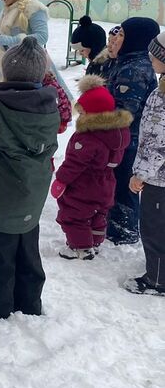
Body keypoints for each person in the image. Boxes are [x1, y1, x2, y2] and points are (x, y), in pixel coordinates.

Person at [0, 37, 59, 322]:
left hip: (0, 201)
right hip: (32, 197)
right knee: (28, 255)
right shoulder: (49, 107)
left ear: (7, 72)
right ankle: (29, 302)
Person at [52, 76, 132, 260]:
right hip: (107, 181)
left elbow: (75, 163)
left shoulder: (88, 138)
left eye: (83, 113)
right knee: (98, 213)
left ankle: (80, 247)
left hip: (85, 184)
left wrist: (61, 179)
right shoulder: (118, 132)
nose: (80, 116)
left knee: (73, 214)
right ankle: (95, 242)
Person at [105, 16, 160, 245]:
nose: (117, 38)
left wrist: (97, 118)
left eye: (123, 35)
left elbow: (125, 112)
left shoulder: (134, 69)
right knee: (119, 181)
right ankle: (119, 224)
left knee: (124, 183)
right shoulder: (128, 62)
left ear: (136, 40)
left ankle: (124, 230)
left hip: (129, 140)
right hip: (127, 138)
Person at [126, 31, 165, 295]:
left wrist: (140, 174)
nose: (150, 58)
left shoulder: (161, 99)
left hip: (158, 179)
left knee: (154, 230)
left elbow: (154, 142)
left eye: (156, 55)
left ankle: (157, 280)